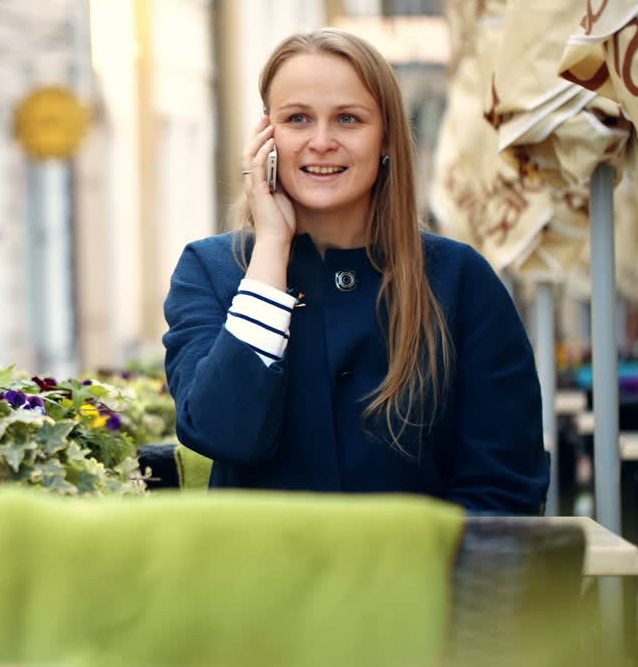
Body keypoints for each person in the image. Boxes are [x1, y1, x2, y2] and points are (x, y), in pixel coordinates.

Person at [162, 28, 548, 515]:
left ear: (385, 136)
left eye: (348, 119)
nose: (322, 142)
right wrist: (271, 251)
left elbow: (504, 484)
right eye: (297, 118)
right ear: (267, 136)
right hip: (262, 586)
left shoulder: (460, 279)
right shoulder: (211, 270)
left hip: (421, 584)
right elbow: (224, 433)